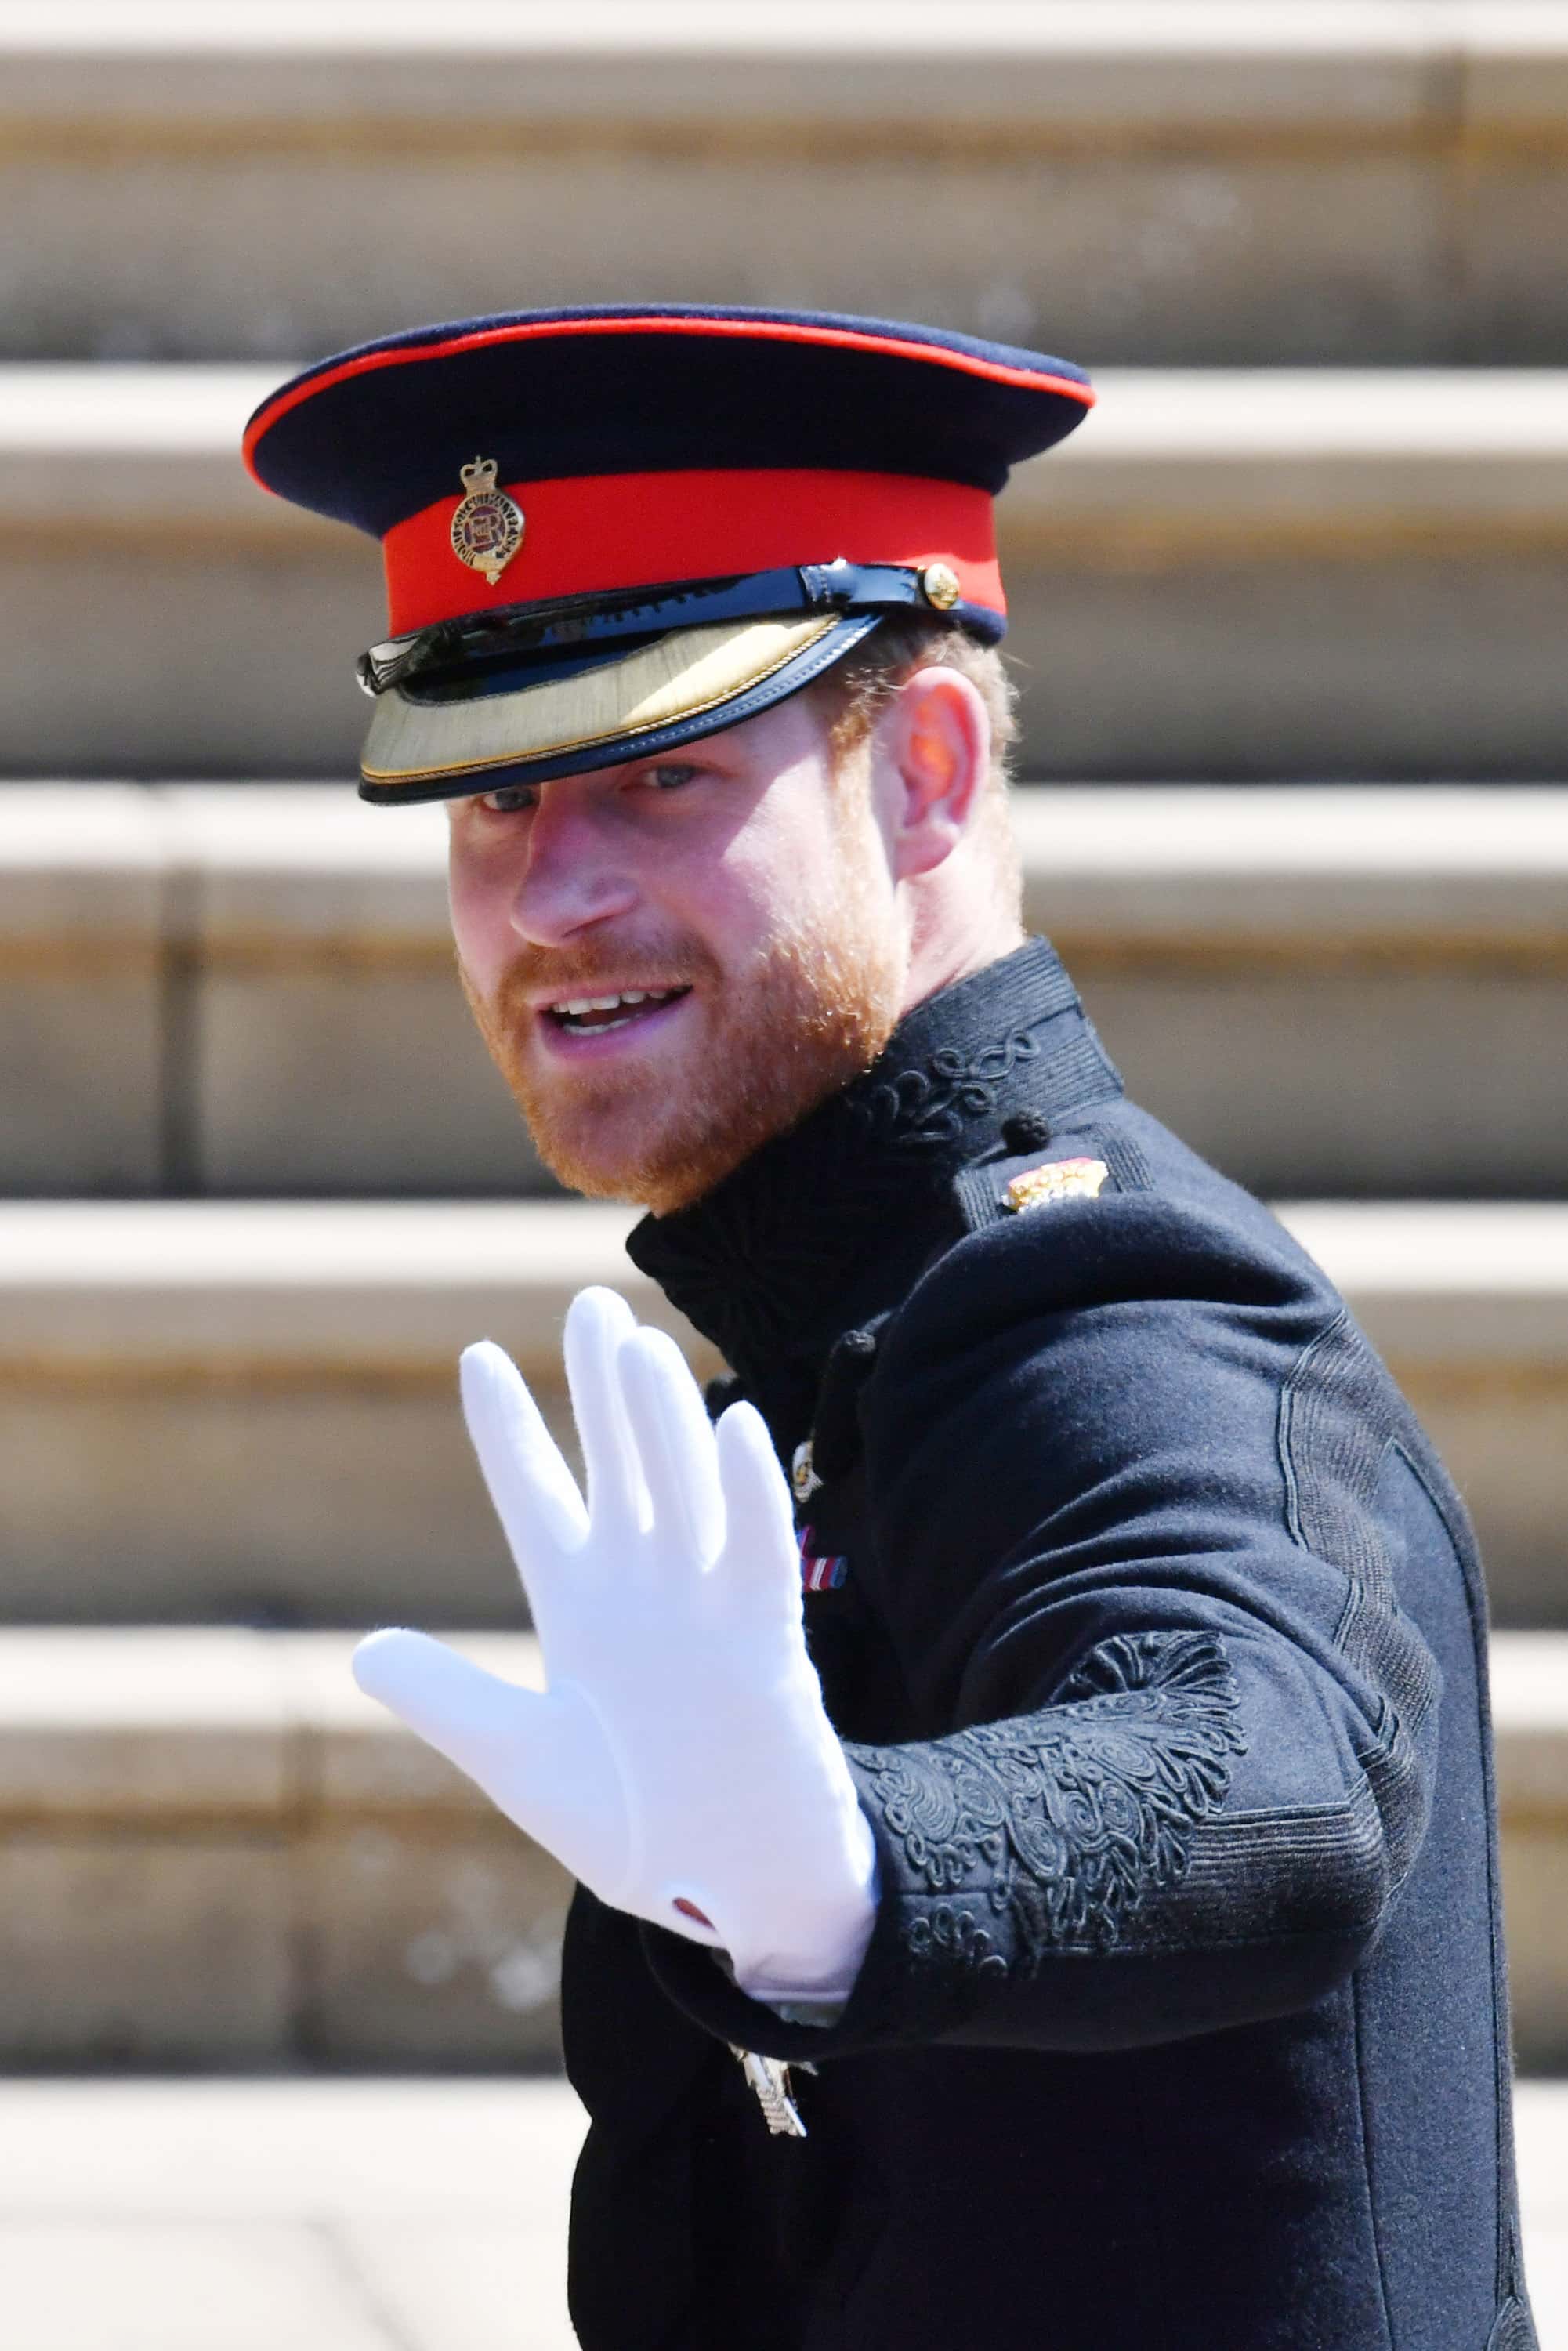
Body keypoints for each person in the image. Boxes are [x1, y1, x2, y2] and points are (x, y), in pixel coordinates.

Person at [246, 307, 1537, 2349]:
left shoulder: (1092, 1302)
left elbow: (1273, 1773)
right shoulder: (845, 1284)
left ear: (921, 775)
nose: (551, 889)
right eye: (488, 803)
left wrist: (852, 1877)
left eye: (657, 773)